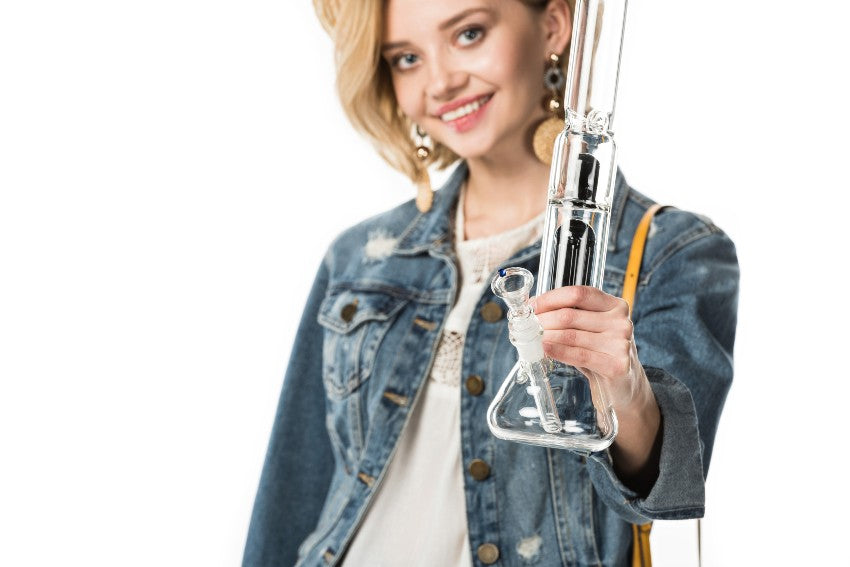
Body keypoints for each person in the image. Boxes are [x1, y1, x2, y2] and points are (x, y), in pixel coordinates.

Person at [243, 0, 739, 565]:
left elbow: (659, 493)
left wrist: (624, 390)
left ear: (553, 24)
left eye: (469, 34)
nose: (441, 81)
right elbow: (294, 488)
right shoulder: (360, 257)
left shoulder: (673, 252)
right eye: (406, 58)